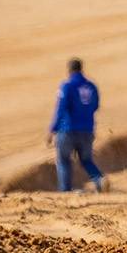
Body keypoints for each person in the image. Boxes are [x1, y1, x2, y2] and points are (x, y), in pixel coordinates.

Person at [48, 58, 108, 193]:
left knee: (63, 160)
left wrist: (52, 129)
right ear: (81, 69)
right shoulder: (92, 86)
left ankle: (65, 191)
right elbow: (95, 106)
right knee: (86, 159)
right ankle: (99, 179)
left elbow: (61, 109)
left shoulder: (67, 86)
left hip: (67, 130)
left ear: (69, 70)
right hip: (87, 130)